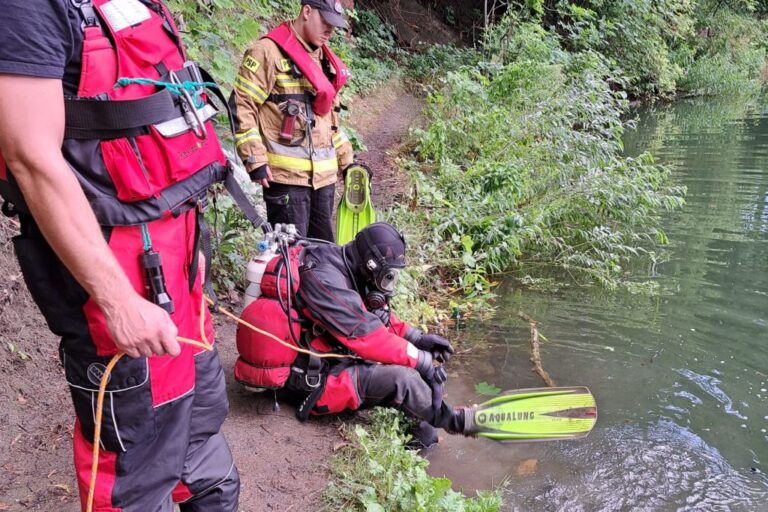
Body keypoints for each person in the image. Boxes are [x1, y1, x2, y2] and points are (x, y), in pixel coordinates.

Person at [0, 1, 239, 510]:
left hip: (178, 259)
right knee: (136, 466)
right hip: (116, 270)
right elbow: (31, 159)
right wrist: (118, 302)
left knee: (201, 439)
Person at [235, 223, 476, 446]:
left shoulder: (345, 264)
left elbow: (370, 317)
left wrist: (416, 338)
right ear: (370, 265)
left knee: (413, 370)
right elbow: (367, 336)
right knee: (405, 379)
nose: (388, 284)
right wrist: (423, 362)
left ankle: (427, 434)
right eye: (387, 276)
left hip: (326, 358)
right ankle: (451, 425)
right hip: (309, 383)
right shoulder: (325, 279)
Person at [229, 0, 355, 242]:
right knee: (290, 260)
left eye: (334, 25)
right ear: (306, 12)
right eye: (325, 22)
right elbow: (242, 105)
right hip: (287, 181)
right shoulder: (267, 52)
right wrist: (254, 158)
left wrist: (348, 162)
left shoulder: (323, 59)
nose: (330, 30)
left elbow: (330, 122)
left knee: (322, 257)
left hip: (324, 180)